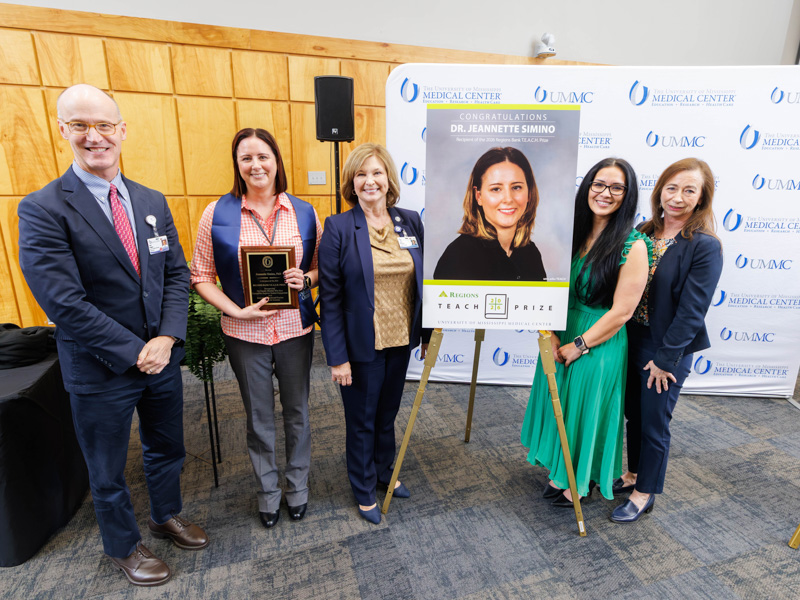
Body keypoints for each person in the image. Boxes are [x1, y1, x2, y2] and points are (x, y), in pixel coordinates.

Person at [17, 84, 207, 587]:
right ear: (62, 130)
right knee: (106, 469)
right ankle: (123, 545)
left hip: (160, 359)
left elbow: (175, 275)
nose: (94, 136)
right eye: (80, 125)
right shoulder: (42, 209)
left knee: (167, 448)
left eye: (104, 125)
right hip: (100, 368)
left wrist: (165, 339)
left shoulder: (150, 200)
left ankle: (166, 514)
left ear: (122, 131)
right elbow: (63, 303)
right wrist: (133, 351)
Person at [191, 128, 321, 529]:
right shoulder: (217, 213)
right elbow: (200, 275)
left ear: (276, 161)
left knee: (298, 412)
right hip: (244, 335)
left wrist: (308, 280)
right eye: (246, 158)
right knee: (258, 417)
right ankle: (268, 492)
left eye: (263, 156)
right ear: (237, 165)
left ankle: (297, 486)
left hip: (295, 331)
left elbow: (321, 269)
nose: (255, 165)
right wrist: (235, 311)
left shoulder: (303, 211)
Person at [520, 158, 650, 506]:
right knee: (558, 402)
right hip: (561, 331)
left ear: (627, 195)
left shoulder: (633, 245)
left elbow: (622, 311)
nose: (605, 193)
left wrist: (580, 345)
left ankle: (579, 481)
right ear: (587, 186)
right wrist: (547, 329)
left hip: (598, 339)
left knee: (585, 409)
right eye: (598, 184)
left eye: (616, 187)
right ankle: (561, 469)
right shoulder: (569, 232)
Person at [318, 143, 429, 524]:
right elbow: (329, 298)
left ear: (389, 179)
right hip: (361, 344)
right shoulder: (338, 227)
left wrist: (426, 334)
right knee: (362, 419)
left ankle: (386, 473)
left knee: (387, 414)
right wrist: (337, 357)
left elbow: (426, 282)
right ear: (351, 182)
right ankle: (363, 486)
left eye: (377, 173)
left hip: (401, 339)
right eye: (361, 174)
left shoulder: (410, 221)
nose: (370, 181)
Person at [611, 158, 723, 523]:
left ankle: (646, 493)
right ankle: (632, 474)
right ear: (659, 190)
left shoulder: (704, 246)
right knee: (633, 414)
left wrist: (665, 359)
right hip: (630, 338)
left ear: (701, 197)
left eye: (689, 190)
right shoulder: (643, 231)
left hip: (665, 348)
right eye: (671, 188)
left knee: (655, 421)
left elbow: (692, 311)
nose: (677, 197)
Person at [433, 146, 546, 281]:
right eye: (496, 189)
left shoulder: (531, 253)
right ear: (478, 196)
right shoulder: (459, 255)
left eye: (516, 187)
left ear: (529, 193)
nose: (508, 199)